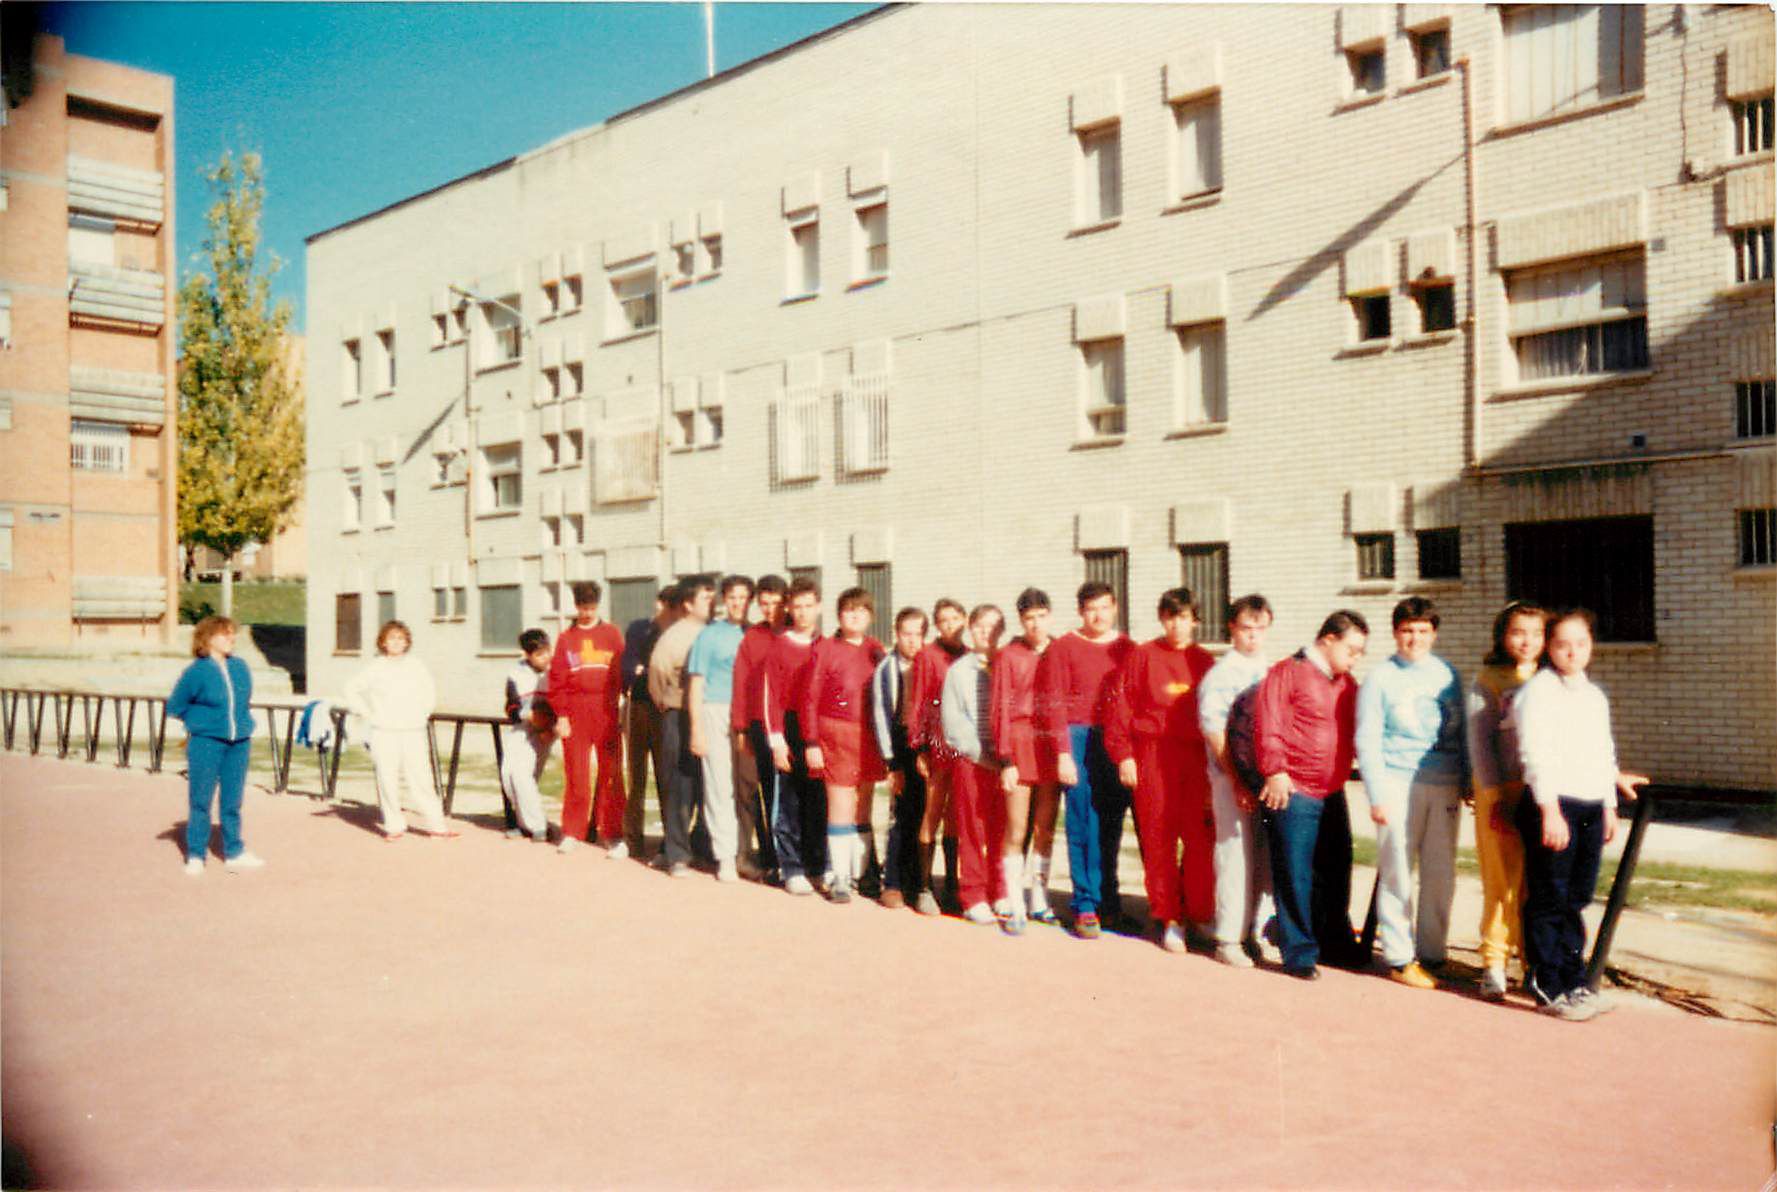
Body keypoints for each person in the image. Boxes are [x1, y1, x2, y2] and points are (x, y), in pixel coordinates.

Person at [1511, 608, 1648, 1020]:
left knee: (1577, 898)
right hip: (1555, 805)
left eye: (1581, 643)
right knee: (1550, 896)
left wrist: (1608, 804)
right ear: (1549, 647)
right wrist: (1549, 811)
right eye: (1562, 644)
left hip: (1590, 803)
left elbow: (1602, 753)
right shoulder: (1537, 693)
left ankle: (1575, 980)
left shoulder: (1592, 696)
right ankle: (1547, 983)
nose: (1572, 652)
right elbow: (1534, 756)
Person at [1357, 597, 1468, 990]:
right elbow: (1367, 740)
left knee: (1440, 872)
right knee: (1397, 870)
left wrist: (1467, 778)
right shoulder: (1381, 677)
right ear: (1395, 633)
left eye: (1423, 631)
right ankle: (1400, 957)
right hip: (1397, 782)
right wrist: (1376, 794)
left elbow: (1463, 732)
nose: (1415, 638)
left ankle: (1433, 953)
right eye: (1407, 630)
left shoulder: (1447, 674)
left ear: (1434, 633)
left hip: (1444, 781)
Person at [1255, 610, 1368, 979]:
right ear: (1329, 639)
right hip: (1294, 789)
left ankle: (1332, 942)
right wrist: (1275, 770)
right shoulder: (1287, 672)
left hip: (1331, 788)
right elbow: (1268, 724)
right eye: (1352, 650)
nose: (1355, 658)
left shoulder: (1346, 683)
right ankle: (1299, 952)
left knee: (1336, 870)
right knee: (1295, 873)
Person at [1105, 587, 1217, 954]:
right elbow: (1121, 707)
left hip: (1195, 757)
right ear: (1161, 619)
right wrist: (1124, 755)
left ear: (1194, 620)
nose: (1176, 624)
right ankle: (1169, 917)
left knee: (1200, 840)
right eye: (1170, 617)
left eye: (1183, 617)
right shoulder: (1143, 656)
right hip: (1153, 753)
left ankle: (1198, 911)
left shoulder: (1205, 662)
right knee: (1158, 838)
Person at [1036, 580, 1135, 939]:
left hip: (1115, 738)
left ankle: (1109, 900)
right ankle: (1085, 905)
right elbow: (1054, 702)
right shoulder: (1064, 647)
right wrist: (1063, 753)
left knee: (1111, 822)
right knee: (1082, 823)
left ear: (1115, 609)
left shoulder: (1128, 648)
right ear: (1080, 611)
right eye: (1091, 608)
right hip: (1078, 737)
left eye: (1105, 607)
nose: (1098, 615)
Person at [1467, 600, 1546, 1001]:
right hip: (1501, 793)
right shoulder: (1490, 679)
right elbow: (1480, 744)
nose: (1527, 641)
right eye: (1518, 632)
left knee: (1535, 884)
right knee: (1500, 881)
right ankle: (1494, 963)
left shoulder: (1551, 678)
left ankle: (1533, 962)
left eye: (1536, 633)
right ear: (1502, 635)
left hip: (1542, 795)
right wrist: (1494, 796)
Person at [1197, 594, 1277, 967]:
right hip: (1232, 780)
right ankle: (1227, 937)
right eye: (1246, 628)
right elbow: (1215, 733)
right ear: (1232, 628)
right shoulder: (1221, 674)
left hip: (1265, 780)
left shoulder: (1268, 670)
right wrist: (1236, 781)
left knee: (1262, 859)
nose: (1253, 636)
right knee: (1234, 856)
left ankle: (1252, 932)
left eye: (1260, 629)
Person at [803, 587, 888, 903]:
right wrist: (811, 741)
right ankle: (838, 876)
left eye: (861, 611)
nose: (855, 616)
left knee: (863, 806)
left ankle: (861, 873)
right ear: (838, 615)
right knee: (840, 805)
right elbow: (809, 698)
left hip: (868, 736)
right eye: (848, 610)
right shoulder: (824, 648)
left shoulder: (876, 650)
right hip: (835, 733)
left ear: (870, 616)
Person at [343, 620, 456, 841]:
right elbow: (351, 689)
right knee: (387, 778)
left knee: (421, 778)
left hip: (412, 730)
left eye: (400, 639)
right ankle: (394, 826)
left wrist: (422, 713)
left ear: (407, 642)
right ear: (383, 643)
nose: (396, 643)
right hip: (384, 731)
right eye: (391, 638)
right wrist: (368, 713)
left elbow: (429, 692)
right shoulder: (376, 667)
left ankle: (437, 826)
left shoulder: (416, 665)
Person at [168, 615, 263, 874]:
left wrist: (241, 724)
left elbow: (243, 700)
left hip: (239, 742)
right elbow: (175, 706)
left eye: (232, 633)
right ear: (208, 639)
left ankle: (234, 852)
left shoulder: (240, 666)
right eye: (225, 634)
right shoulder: (196, 672)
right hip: (206, 743)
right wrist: (199, 723)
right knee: (201, 799)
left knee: (232, 801)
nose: (231, 638)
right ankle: (196, 854)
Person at [990, 588, 1061, 924]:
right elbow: (999, 707)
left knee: (1045, 828)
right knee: (1017, 828)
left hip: (1050, 745)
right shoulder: (1008, 655)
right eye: (1029, 618)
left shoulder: (1060, 650)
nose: (1036, 624)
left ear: (1050, 616)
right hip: (1019, 743)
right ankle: (1014, 901)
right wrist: (1005, 759)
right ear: (1021, 620)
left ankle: (1039, 898)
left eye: (1041, 616)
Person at [940, 604, 1009, 926]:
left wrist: (1008, 756)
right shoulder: (959, 671)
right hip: (974, 759)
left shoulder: (1008, 663)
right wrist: (981, 753)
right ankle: (973, 895)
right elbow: (953, 722)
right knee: (973, 829)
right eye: (980, 626)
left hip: (1007, 763)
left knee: (1002, 830)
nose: (986, 633)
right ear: (971, 629)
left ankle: (1001, 891)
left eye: (993, 627)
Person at [547, 581, 626, 855]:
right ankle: (572, 831)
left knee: (611, 773)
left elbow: (621, 673)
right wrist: (562, 715)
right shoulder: (566, 638)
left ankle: (613, 833)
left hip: (606, 709)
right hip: (577, 710)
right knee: (577, 774)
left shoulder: (612, 634)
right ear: (576, 606)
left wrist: (621, 706)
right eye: (582, 607)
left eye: (591, 607)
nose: (587, 612)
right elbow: (556, 679)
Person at [686, 575, 755, 883]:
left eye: (743, 597)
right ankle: (725, 856)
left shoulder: (755, 634)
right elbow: (696, 683)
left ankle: (748, 851)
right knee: (719, 784)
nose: (738, 603)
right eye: (732, 597)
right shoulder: (709, 635)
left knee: (746, 788)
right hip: (716, 710)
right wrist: (696, 728)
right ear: (724, 601)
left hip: (749, 715)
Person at [904, 598, 969, 915]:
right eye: (943, 620)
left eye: (955, 618)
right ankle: (924, 886)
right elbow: (918, 703)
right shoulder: (928, 656)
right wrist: (920, 747)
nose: (950, 625)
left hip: (962, 746)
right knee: (932, 812)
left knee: (956, 816)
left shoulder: (971, 656)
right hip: (936, 744)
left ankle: (952, 887)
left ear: (964, 620)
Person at [649, 575, 716, 878]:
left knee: (707, 783)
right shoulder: (674, 636)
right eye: (705, 598)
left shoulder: (714, 633)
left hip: (710, 715)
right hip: (678, 714)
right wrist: (667, 703)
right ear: (688, 604)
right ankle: (676, 852)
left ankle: (702, 846)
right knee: (679, 784)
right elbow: (658, 675)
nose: (711, 603)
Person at [763, 577, 827, 895]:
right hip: (789, 726)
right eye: (797, 607)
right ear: (789, 608)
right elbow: (771, 697)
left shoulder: (825, 644)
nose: (802, 612)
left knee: (818, 799)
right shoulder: (779, 646)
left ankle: (817, 864)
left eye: (808, 606)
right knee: (788, 800)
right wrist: (777, 742)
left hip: (818, 728)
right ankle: (791, 866)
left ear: (819, 607)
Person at [871, 606, 928, 909]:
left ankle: (920, 882)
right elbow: (881, 715)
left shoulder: (929, 664)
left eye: (918, 634)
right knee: (900, 816)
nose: (912, 641)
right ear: (897, 634)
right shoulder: (887, 669)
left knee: (923, 815)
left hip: (926, 749)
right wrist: (890, 761)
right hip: (900, 747)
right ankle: (892, 881)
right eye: (906, 634)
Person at [734, 574, 788, 880]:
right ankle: (770, 855)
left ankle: (795, 855)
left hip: (790, 726)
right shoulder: (753, 637)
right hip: (759, 725)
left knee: (792, 795)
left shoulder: (797, 632)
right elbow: (741, 683)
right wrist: (742, 728)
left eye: (775, 603)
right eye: (764, 604)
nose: (769, 610)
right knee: (766, 791)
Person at [621, 584, 677, 858]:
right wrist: (644, 673)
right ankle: (632, 840)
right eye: (660, 605)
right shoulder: (637, 628)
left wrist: (649, 672)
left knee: (666, 777)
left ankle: (671, 842)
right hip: (639, 706)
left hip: (665, 711)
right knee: (636, 776)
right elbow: (628, 668)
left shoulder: (677, 635)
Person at [500, 628, 556, 843]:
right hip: (523, 726)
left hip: (544, 730)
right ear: (527, 655)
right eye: (539, 654)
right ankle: (525, 823)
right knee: (508, 774)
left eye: (546, 652)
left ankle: (538, 826)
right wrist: (527, 714)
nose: (545, 658)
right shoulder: (516, 673)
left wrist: (546, 727)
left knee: (523, 775)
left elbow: (561, 701)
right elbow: (511, 705)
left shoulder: (553, 672)